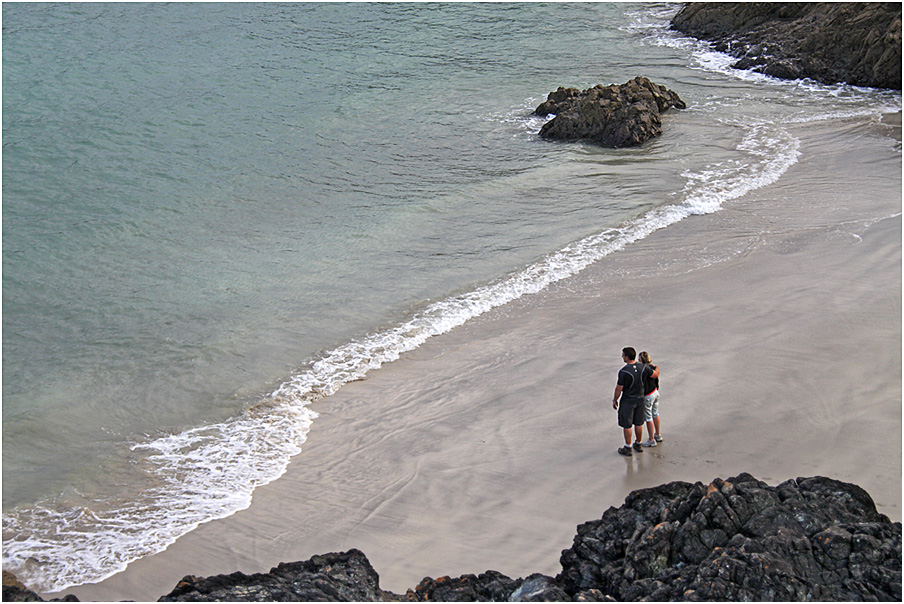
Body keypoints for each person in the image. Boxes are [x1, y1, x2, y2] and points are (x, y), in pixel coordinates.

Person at [612, 347, 658, 457]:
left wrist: (615, 400)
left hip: (628, 400)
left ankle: (628, 447)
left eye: (623, 355)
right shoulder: (643, 367)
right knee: (638, 422)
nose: (622, 357)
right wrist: (657, 368)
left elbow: (619, 388)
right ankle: (638, 444)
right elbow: (655, 375)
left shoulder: (624, 371)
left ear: (627, 357)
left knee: (627, 425)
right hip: (640, 399)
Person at [638, 351, 661, 447]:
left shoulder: (642, 370)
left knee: (648, 417)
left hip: (648, 395)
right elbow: (656, 377)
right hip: (655, 392)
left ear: (640, 360)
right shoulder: (652, 368)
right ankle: (657, 435)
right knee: (655, 413)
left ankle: (651, 440)